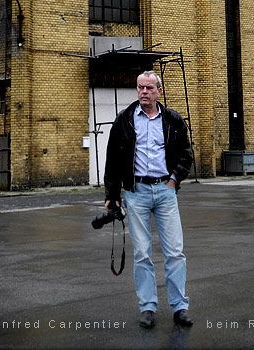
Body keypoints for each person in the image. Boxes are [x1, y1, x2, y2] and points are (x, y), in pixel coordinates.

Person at [104, 70, 194, 329]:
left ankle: (180, 307)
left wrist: (174, 180)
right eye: (140, 88)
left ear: (159, 91)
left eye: (149, 88)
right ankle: (148, 307)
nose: (144, 92)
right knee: (142, 253)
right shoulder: (124, 120)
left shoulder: (173, 120)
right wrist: (112, 195)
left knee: (175, 252)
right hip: (136, 192)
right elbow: (113, 160)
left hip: (165, 191)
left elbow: (185, 154)